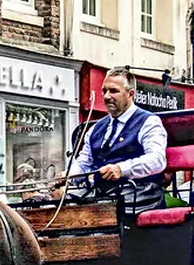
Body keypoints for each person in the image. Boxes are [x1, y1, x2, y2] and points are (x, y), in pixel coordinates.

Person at [66, 67, 167, 211]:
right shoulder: (95, 128)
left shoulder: (149, 122)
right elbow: (84, 162)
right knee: (58, 206)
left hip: (139, 195)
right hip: (102, 194)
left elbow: (157, 160)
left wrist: (121, 169)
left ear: (130, 94)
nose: (107, 96)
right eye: (104, 91)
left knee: (98, 213)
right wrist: (69, 176)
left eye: (114, 91)